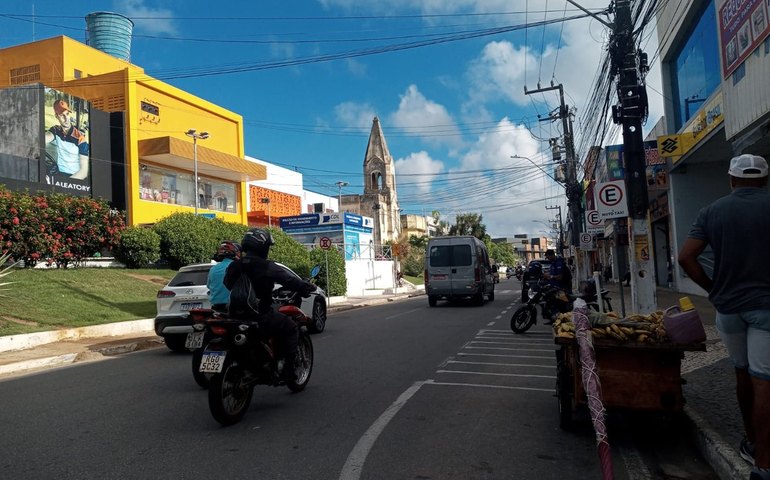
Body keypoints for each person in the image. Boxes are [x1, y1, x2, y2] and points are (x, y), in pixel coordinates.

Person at [677, 154, 770, 480]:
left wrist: (713, 289)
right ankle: (763, 463)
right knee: (764, 381)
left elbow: (686, 257)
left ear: (731, 181)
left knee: (743, 373)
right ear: (764, 181)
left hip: (728, 309)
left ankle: (752, 441)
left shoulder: (711, 212)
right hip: (765, 310)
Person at [224, 228, 316, 381]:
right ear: (262, 246)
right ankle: (287, 371)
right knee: (291, 328)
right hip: (260, 314)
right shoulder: (266, 266)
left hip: (234, 315)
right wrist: (306, 287)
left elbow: (227, 284)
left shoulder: (235, 265)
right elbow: (289, 280)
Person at [45, 99, 89, 180]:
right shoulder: (55, 130)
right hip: (58, 173)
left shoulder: (80, 138)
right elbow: (45, 138)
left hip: (74, 177)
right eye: (62, 115)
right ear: (56, 116)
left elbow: (84, 172)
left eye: (67, 114)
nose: (66, 118)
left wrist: (66, 183)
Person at [207, 241, 240, 313]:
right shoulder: (237, 267)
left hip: (216, 307)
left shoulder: (213, 269)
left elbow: (209, 286)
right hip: (233, 307)